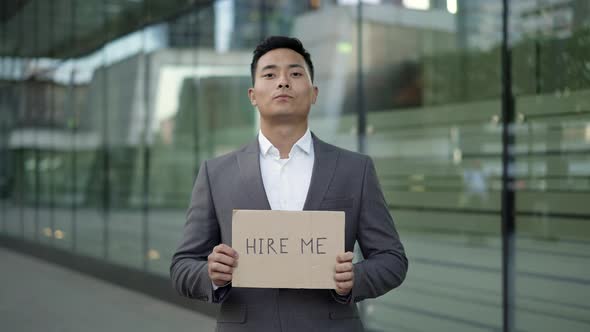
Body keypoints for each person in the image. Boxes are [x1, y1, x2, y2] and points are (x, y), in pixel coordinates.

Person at [170, 36, 408, 332]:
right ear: (253, 95)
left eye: (295, 74)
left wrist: (355, 279)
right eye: (269, 74)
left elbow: (392, 259)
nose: (283, 81)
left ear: (314, 93)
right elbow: (182, 267)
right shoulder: (216, 173)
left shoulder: (355, 169)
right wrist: (211, 274)